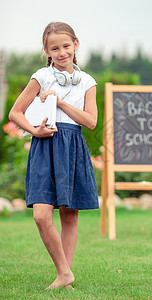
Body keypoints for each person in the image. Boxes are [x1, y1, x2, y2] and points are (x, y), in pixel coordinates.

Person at [9, 21, 99, 290]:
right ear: (47, 51)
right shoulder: (41, 76)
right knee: (41, 215)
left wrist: (60, 102)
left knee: (70, 215)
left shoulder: (87, 81)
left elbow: (91, 122)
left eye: (66, 46)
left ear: (76, 45)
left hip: (72, 145)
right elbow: (15, 113)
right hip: (45, 146)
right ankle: (64, 272)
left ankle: (64, 278)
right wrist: (34, 131)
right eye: (54, 48)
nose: (62, 52)